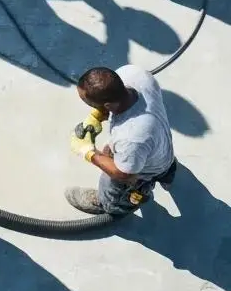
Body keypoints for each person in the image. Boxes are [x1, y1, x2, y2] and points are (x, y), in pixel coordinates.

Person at [65, 65, 178, 215]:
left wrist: (88, 151)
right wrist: (97, 115)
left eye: (91, 104)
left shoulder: (131, 138)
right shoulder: (133, 74)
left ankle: (114, 204)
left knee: (110, 182)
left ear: (108, 105)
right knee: (156, 161)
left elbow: (125, 175)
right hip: (162, 149)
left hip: (146, 168)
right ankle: (167, 175)